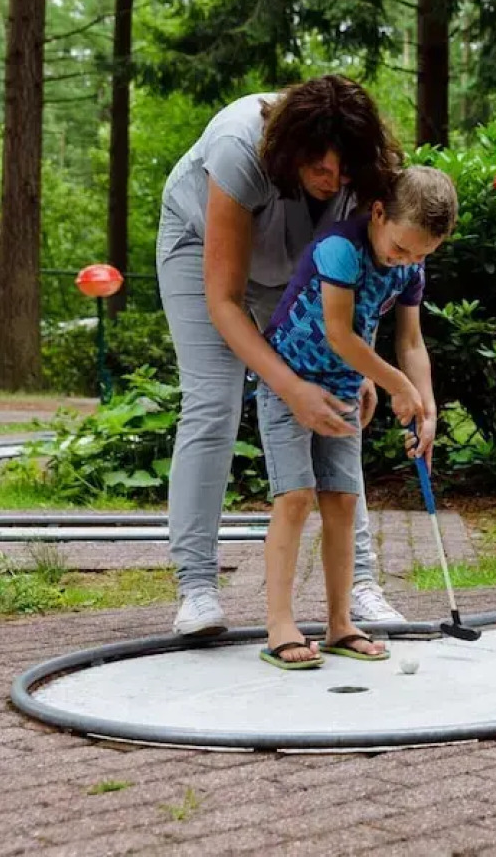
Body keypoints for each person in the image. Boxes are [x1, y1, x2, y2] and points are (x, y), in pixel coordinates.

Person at [157, 77, 410, 636]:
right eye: (319, 168)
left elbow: (359, 278)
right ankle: (197, 587)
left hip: (296, 261)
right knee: (214, 402)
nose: (332, 180)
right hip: (202, 247)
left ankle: (360, 583)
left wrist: (357, 367)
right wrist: (290, 387)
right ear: (293, 147)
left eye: (344, 172)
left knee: (338, 398)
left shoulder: (368, 169)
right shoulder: (239, 146)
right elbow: (225, 302)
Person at [256, 166, 457, 668]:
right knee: (295, 497)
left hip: (343, 389)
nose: (405, 261)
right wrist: (398, 386)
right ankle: (279, 624)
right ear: (379, 213)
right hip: (289, 381)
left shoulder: (410, 268)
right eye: (401, 248)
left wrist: (426, 405)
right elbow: (340, 334)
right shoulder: (339, 249)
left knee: (343, 501)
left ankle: (340, 623)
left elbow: (411, 342)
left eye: (420, 255)